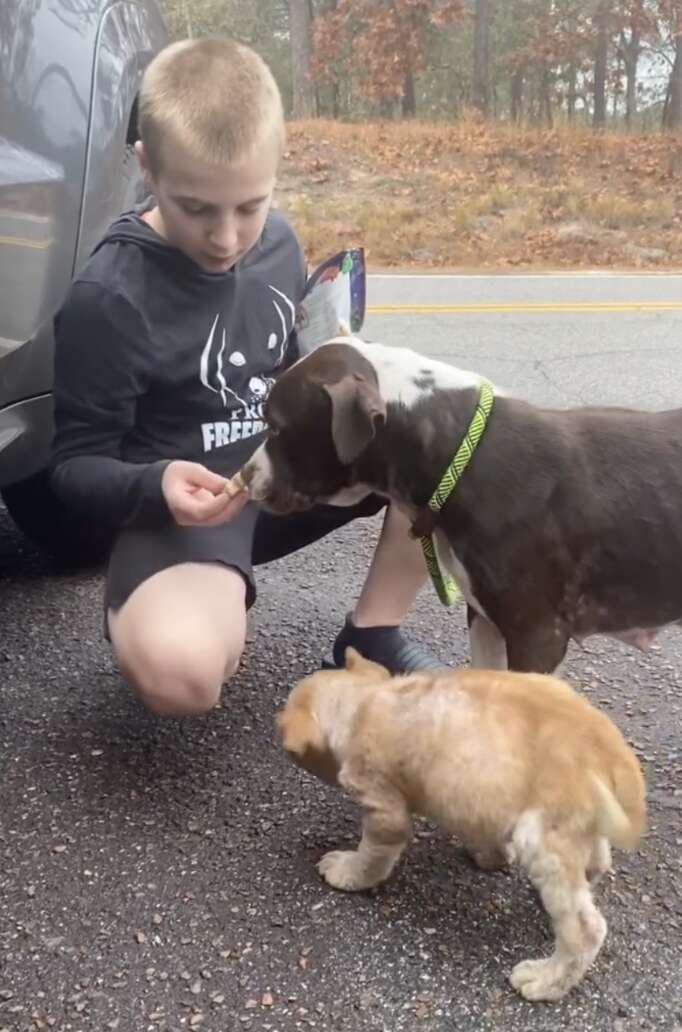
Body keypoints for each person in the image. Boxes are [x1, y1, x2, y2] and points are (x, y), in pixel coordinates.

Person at [49, 36, 445, 719]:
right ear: (147, 165)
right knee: (184, 679)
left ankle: (372, 633)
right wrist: (156, 484)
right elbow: (72, 470)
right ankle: (182, 600)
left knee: (447, 438)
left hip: (286, 482)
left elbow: (291, 368)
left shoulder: (281, 242)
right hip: (181, 512)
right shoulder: (108, 297)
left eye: (249, 207)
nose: (228, 238)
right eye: (196, 208)